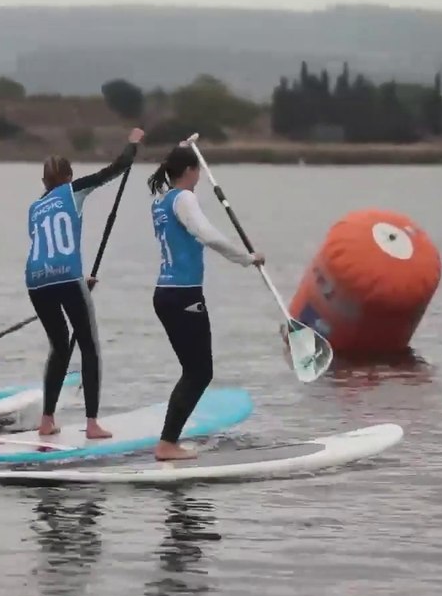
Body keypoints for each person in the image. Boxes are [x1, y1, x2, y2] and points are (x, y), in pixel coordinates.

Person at [25, 127, 144, 439]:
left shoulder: (34, 208)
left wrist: (79, 279)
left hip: (36, 280)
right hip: (66, 276)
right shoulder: (73, 189)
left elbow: (46, 247)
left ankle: (47, 420)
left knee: (59, 346)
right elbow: (117, 168)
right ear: (69, 176)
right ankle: (92, 424)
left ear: (43, 182)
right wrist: (132, 144)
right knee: (89, 346)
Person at [148, 141, 263, 461]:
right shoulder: (184, 198)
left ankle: (168, 441)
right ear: (190, 170)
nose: (199, 176)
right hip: (184, 294)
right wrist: (246, 258)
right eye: (196, 170)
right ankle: (167, 444)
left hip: (165, 293)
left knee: (194, 370)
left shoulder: (160, 202)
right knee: (198, 372)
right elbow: (207, 234)